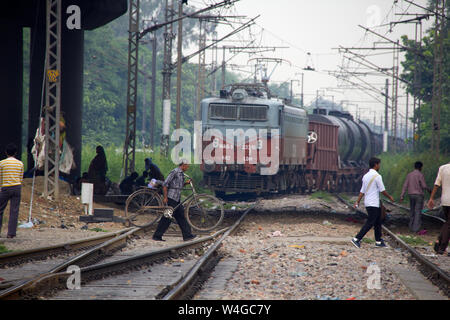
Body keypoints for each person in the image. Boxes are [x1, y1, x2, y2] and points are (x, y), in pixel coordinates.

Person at [351, 157, 395, 249]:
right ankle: (356, 239)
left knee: (377, 222)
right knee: (371, 222)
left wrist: (358, 201)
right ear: (376, 164)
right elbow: (382, 190)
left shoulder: (365, 176)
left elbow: (362, 191)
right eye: (379, 164)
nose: (379, 166)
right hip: (374, 203)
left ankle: (378, 241)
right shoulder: (377, 176)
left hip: (368, 202)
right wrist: (390, 197)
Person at [152, 160, 196, 242]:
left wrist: (186, 183)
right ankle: (157, 236)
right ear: (183, 165)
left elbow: (178, 186)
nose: (188, 167)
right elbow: (165, 184)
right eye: (187, 165)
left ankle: (187, 235)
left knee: (181, 216)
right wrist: (165, 198)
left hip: (177, 199)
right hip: (171, 198)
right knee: (167, 217)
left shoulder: (181, 174)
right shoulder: (175, 172)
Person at [0, 143, 24, 239]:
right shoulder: (20, 163)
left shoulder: (2, 163)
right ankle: (11, 233)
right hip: (17, 187)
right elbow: (21, 177)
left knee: (0, 209)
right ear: (16, 153)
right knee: (14, 211)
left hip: (5, 188)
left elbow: (0, 177)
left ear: (6, 152)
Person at [400, 161, 431, 233]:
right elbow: (423, 186)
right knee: (417, 212)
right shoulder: (420, 175)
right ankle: (415, 229)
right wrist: (429, 190)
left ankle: (410, 227)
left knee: (412, 211)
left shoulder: (409, 175)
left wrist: (402, 195)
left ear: (414, 167)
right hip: (419, 195)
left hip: (411, 195)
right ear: (420, 167)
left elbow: (405, 185)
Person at [427, 162, 450, 255]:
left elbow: (436, 184)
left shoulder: (442, 168)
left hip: (444, 200)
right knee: (449, 223)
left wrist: (431, 198)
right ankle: (442, 247)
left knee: (448, 222)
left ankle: (439, 242)